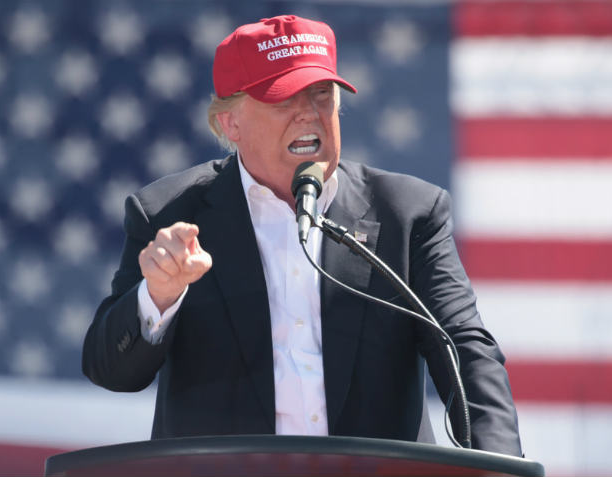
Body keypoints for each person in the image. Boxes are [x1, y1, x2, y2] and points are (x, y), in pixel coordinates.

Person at [82, 15, 522, 456]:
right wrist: (157, 296)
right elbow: (112, 371)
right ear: (230, 123)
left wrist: (499, 465)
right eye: (283, 98)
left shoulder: (407, 215)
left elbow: (465, 349)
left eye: (321, 95)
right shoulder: (168, 213)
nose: (309, 114)